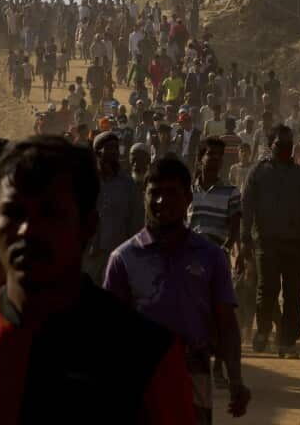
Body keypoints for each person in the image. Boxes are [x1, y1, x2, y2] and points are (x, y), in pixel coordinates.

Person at [0, 137, 194, 423]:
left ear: (88, 226)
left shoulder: (147, 355)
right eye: (13, 213)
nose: (27, 230)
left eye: (50, 213)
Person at [105, 158, 251, 424]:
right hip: (139, 377)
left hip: (193, 374)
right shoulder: (123, 259)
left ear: (188, 198)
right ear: (144, 197)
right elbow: (109, 331)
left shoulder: (211, 257)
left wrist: (236, 380)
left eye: (171, 193)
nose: (161, 201)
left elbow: (226, 322)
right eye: (154, 193)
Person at [241, 125, 300, 359]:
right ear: (270, 145)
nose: (285, 149)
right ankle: (264, 329)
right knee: (267, 289)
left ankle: (288, 340)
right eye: (279, 144)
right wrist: (245, 237)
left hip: (296, 243)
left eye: (288, 144)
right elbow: (247, 206)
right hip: (266, 242)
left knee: (293, 294)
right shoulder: (258, 172)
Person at [83, 132, 143, 281]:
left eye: (116, 148)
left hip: (118, 251)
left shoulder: (127, 184)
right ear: (98, 151)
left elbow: (135, 220)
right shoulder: (86, 182)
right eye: (109, 148)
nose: (114, 152)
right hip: (90, 253)